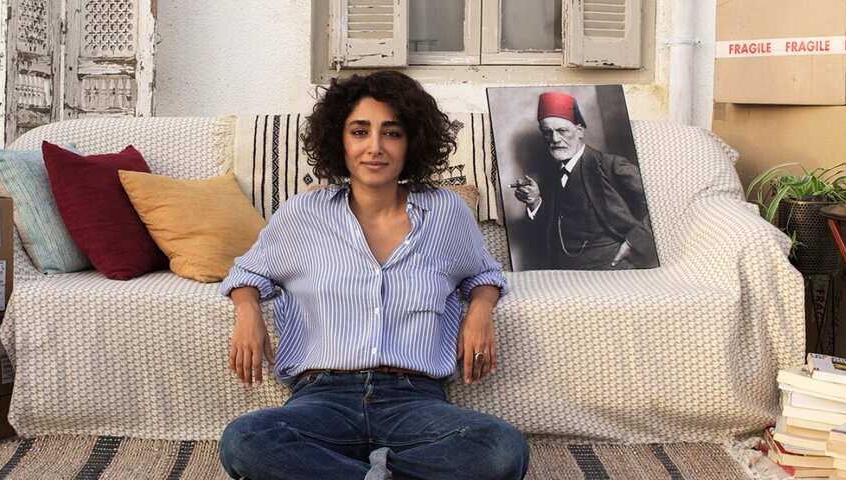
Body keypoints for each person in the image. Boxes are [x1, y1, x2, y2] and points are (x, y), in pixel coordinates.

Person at [217, 71, 529, 480]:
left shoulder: (446, 213)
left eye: (392, 133)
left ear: (412, 142)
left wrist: (480, 310)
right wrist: (247, 311)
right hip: (321, 398)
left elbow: (483, 273)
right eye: (360, 131)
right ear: (340, 141)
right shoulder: (303, 214)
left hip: (416, 402)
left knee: (502, 449)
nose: (375, 148)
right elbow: (247, 271)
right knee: (246, 439)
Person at [510, 91, 657, 270]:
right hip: (563, 274)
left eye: (562, 131)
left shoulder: (610, 166)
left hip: (611, 271)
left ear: (579, 131)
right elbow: (546, 231)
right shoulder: (551, 176)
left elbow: (661, 202)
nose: (555, 139)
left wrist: (634, 242)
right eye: (547, 132)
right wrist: (534, 201)